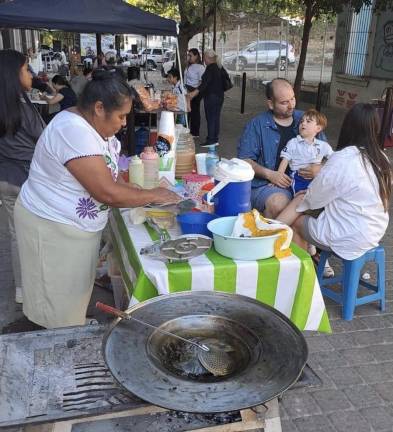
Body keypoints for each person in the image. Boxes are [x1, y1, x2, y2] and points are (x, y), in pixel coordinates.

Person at [14, 68, 179, 329]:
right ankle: (60, 341)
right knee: (55, 301)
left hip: (71, 228)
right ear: (99, 108)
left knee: (72, 294)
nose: (124, 123)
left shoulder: (94, 127)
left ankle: (71, 324)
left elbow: (109, 176)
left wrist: (136, 190)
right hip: (50, 227)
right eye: (121, 116)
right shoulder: (73, 131)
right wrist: (153, 195)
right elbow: (106, 191)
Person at [277, 103, 392, 261]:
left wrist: (306, 196)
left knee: (297, 214)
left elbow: (315, 199)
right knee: (305, 201)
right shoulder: (382, 158)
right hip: (374, 232)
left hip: (347, 236)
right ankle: (269, 233)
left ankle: (301, 274)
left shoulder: (343, 158)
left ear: (348, 127)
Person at [237, 78, 326, 219]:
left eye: (293, 99)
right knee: (278, 205)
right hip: (268, 186)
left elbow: (328, 157)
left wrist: (318, 168)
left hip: (305, 182)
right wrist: (270, 174)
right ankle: (270, 238)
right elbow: (244, 161)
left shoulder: (306, 120)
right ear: (271, 104)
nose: (291, 106)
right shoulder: (257, 125)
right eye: (284, 102)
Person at [0, 49, 46, 304]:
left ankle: (21, 288)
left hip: (4, 179)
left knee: (16, 234)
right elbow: (45, 139)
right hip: (29, 179)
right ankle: (36, 285)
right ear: (13, 75)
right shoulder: (23, 108)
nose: (31, 74)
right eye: (26, 69)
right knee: (38, 233)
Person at [278, 108, 333, 194]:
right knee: (302, 196)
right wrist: (278, 176)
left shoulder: (323, 145)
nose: (303, 123)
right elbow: (285, 160)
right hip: (298, 177)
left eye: (308, 121)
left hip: (317, 177)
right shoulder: (293, 142)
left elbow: (335, 159)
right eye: (302, 121)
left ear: (318, 128)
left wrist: (322, 167)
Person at [188, 49, 225, 147]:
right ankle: (215, 139)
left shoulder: (210, 68)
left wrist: (193, 93)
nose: (203, 59)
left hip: (211, 97)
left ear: (208, 58)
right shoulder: (218, 67)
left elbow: (204, 83)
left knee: (211, 118)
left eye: (204, 57)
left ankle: (211, 140)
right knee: (216, 118)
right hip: (219, 96)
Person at [184, 48, 205, 137]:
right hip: (187, 89)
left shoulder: (200, 67)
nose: (189, 57)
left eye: (191, 55)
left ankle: (195, 132)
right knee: (187, 110)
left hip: (195, 90)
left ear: (196, 56)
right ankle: (186, 129)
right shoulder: (189, 66)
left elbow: (201, 82)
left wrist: (194, 92)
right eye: (188, 55)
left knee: (194, 111)